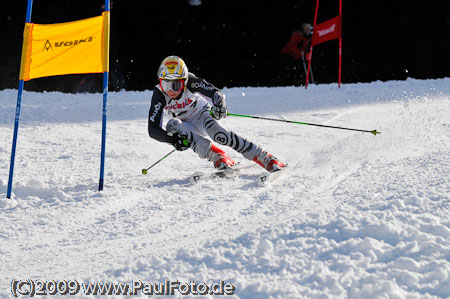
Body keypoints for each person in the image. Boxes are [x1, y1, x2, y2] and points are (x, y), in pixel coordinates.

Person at [147, 55, 285, 173]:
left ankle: (264, 157)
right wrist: (171, 139)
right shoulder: (159, 94)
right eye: (166, 84)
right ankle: (217, 156)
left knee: (220, 135)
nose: (170, 90)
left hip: (201, 114)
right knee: (172, 126)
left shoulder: (192, 83)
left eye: (175, 85)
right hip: (186, 125)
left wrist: (219, 105)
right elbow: (152, 129)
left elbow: (216, 93)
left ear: (184, 81)